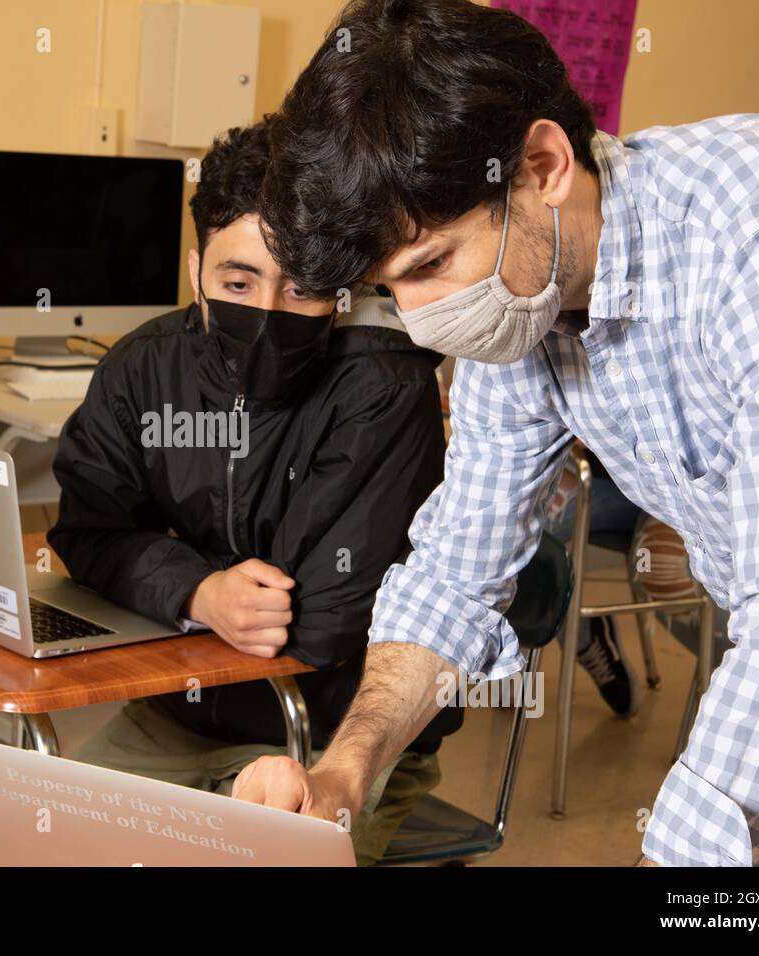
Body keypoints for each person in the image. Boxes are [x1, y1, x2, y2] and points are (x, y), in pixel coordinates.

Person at [232, 0, 759, 867]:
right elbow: (456, 571)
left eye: (431, 266)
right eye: (389, 290)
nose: (419, 320)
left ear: (544, 165)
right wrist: (341, 773)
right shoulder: (529, 293)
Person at [48, 119, 456, 864]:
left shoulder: (384, 387)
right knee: (32, 842)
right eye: (237, 283)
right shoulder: (144, 369)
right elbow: (84, 531)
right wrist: (199, 591)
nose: (266, 313)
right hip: (173, 721)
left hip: (329, 739)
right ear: (194, 267)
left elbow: (321, 624)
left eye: (302, 287)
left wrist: (150, 570)